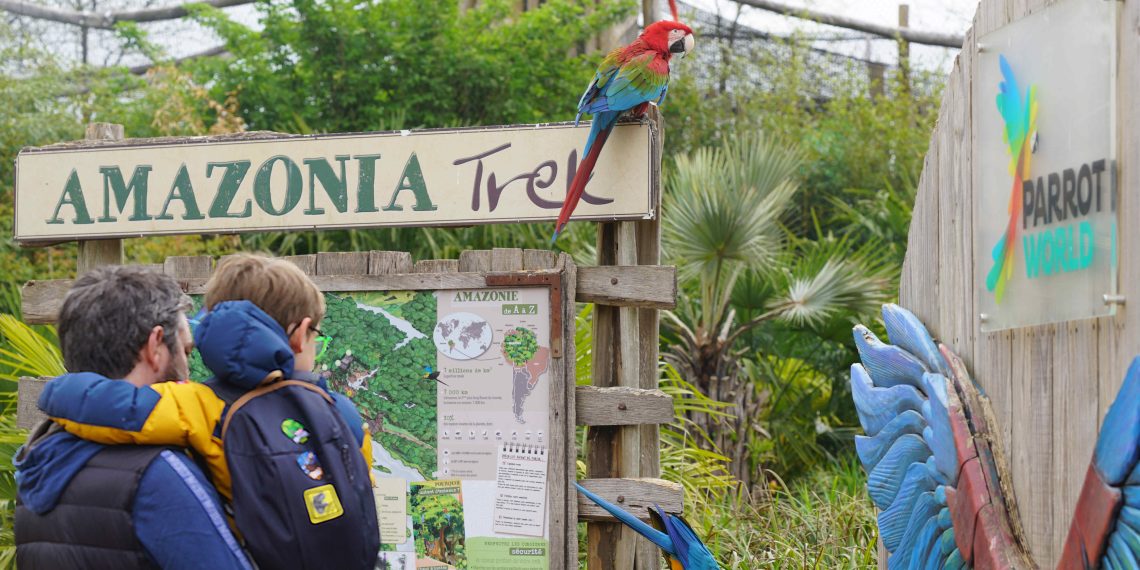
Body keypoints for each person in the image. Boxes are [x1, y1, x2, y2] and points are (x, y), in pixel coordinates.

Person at [37, 254, 379, 569]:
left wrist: (59, 390)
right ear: (300, 334)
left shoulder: (201, 404)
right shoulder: (341, 411)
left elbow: (121, 411)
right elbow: (363, 491)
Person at [13, 266, 253, 570]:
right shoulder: (158, 473)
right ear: (155, 346)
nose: (187, 367)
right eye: (186, 350)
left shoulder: (38, 461)